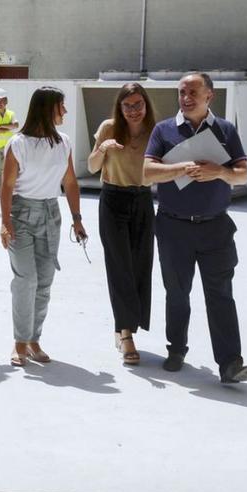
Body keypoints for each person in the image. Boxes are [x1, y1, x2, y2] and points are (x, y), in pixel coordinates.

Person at [142, 72, 247, 384]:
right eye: (181, 92)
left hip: (216, 228)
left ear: (209, 96)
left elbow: (243, 174)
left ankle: (230, 364)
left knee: (221, 294)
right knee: (177, 292)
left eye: (193, 92)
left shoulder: (226, 130)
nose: (186, 98)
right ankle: (176, 349)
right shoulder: (164, 130)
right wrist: (180, 168)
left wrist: (220, 171)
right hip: (173, 227)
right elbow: (148, 171)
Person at [0, 87, 87, 367]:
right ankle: (20, 342)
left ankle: (34, 339)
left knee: (45, 281)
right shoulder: (19, 143)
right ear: (48, 109)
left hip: (51, 213)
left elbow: (70, 181)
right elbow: (7, 186)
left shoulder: (64, 143)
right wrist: (4, 222)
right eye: (62, 107)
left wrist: (77, 217)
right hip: (21, 213)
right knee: (26, 280)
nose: (66, 112)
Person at [88, 82, 156, 365]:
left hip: (142, 200)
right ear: (120, 107)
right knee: (119, 267)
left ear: (146, 105)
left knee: (140, 266)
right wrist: (102, 148)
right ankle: (126, 335)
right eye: (127, 106)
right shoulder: (108, 127)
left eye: (138, 105)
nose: (133, 111)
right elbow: (92, 166)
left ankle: (124, 326)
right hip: (113, 200)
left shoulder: (156, 131)